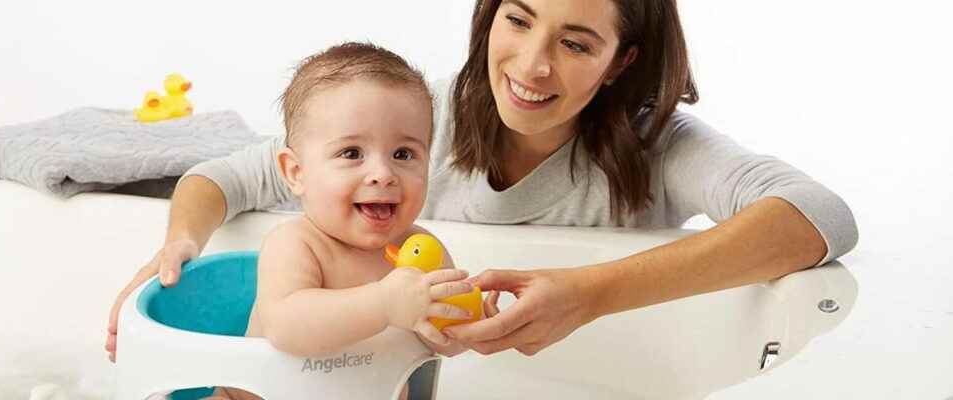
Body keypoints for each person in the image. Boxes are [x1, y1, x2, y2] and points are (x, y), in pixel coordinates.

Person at [107, 0, 857, 362]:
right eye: (518, 20)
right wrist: (179, 240)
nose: (531, 67)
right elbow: (225, 176)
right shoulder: (404, 126)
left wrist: (590, 294)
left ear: (621, 63)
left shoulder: (655, 147)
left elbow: (817, 217)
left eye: (575, 42)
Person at [202, 42, 481, 400]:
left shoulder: (422, 252)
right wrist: (385, 304)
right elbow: (286, 326)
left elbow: (442, 343)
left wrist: (466, 323)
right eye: (352, 153)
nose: (383, 173)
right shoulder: (297, 244)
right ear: (297, 172)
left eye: (403, 154)